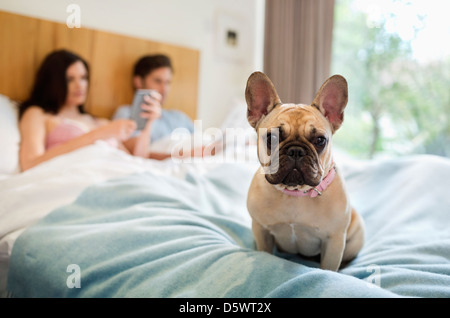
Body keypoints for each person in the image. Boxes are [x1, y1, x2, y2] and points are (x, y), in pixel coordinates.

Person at [18, 49, 161, 171]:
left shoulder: (101, 123)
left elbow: (135, 162)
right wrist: (98, 134)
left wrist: (147, 126)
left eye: (84, 78)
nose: (80, 85)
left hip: (117, 176)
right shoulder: (38, 114)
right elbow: (30, 165)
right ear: (52, 81)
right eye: (70, 79)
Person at [113, 54, 194, 144]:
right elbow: (133, 152)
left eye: (168, 82)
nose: (164, 89)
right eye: (158, 81)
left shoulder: (179, 117)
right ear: (138, 82)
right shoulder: (126, 114)